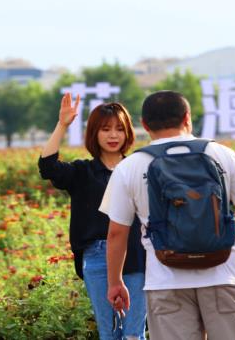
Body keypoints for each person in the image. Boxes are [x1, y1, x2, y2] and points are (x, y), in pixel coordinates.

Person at [99, 90, 235, 340]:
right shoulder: (221, 154)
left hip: (166, 282)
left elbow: (116, 233)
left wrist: (115, 282)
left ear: (143, 124)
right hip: (225, 276)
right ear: (187, 118)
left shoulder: (130, 166)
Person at [38, 93, 146, 340]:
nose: (113, 135)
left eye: (119, 129)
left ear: (128, 132)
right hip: (97, 257)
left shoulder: (138, 169)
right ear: (94, 134)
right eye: (105, 129)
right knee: (109, 333)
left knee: (133, 334)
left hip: (136, 254)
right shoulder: (83, 172)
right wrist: (63, 125)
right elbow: (48, 167)